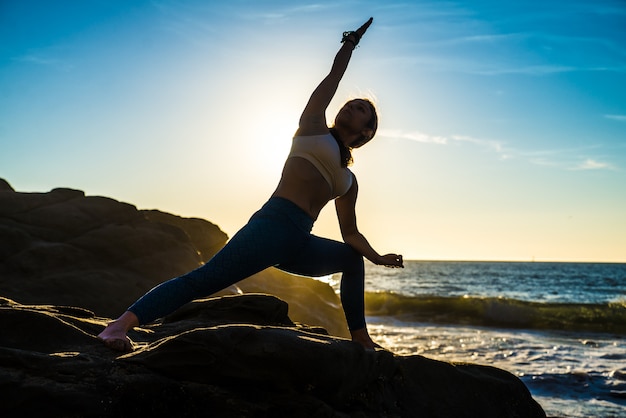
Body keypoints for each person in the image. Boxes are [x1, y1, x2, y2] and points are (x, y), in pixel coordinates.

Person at [98, 17, 403, 352]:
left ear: (366, 133)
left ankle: (361, 340)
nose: (350, 105)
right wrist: (351, 41)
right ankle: (119, 326)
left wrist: (377, 257)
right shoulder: (312, 128)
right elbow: (334, 77)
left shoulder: (349, 181)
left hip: (299, 241)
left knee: (350, 259)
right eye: (351, 103)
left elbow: (351, 234)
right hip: (271, 226)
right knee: (203, 281)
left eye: (360, 109)